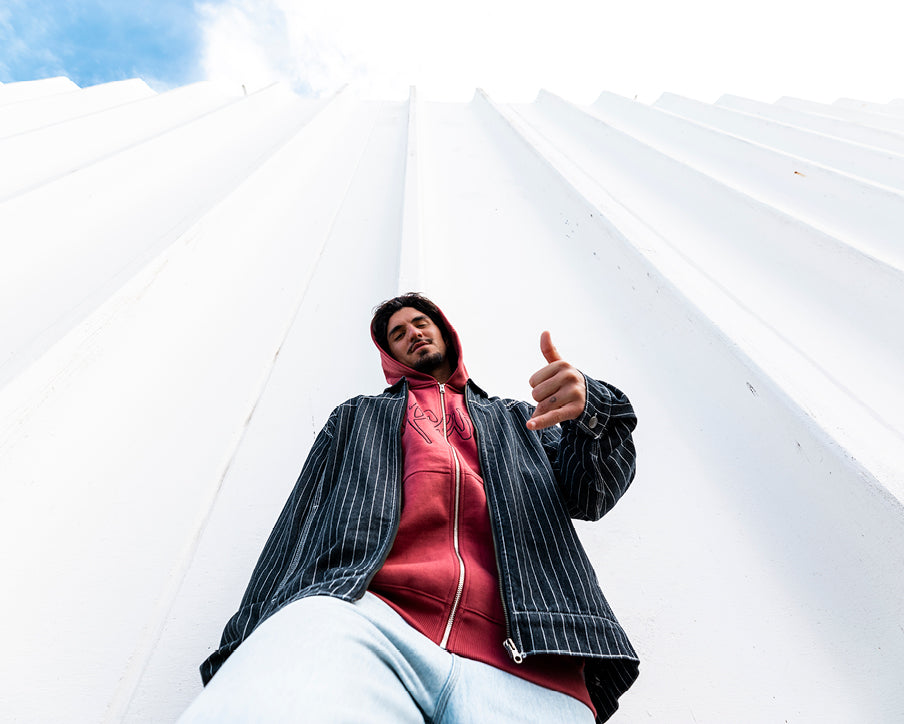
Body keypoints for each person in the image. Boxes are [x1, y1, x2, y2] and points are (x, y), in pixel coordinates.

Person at [181, 293, 639, 723]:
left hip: (534, 653)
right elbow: (300, 524)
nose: (414, 333)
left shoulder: (522, 418)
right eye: (398, 333)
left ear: (446, 332)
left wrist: (591, 412)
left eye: (421, 323)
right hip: (365, 619)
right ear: (389, 356)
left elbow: (592, 494)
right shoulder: (357, 416)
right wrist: (248, 636)